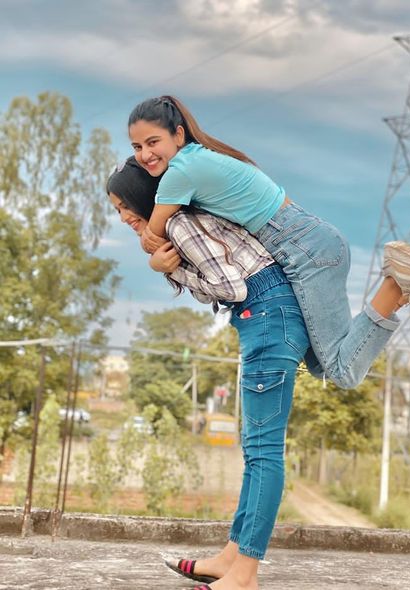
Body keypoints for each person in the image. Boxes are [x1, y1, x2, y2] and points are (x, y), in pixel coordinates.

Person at [127, 95, 410, 391]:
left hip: (304, 250)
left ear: (179, 135)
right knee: (321, 364)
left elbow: (155, 234)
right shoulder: (200, 157)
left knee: (341, 372)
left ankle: (395, 281)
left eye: (153, 142)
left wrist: (153, 257)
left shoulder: (179, 174)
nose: (145, 154)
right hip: (310, 241)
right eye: (137, 147)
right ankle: (402, 292)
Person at [107, 157, 312, 590]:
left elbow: (230, 288)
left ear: (148, 197)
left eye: (124, 205)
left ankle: (245, 575)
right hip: (266, 317)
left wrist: (171, 269)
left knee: (264, 452)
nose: (123, 216)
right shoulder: (182, 223)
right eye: (116, 210)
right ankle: (231, 559)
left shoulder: (179, 224)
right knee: (256, 450)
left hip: (268, 318)